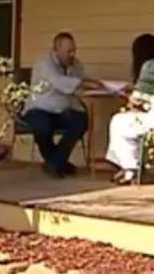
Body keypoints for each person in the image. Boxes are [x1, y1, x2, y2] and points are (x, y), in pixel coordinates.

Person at [106, 33, 154, 184]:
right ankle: (129, 166)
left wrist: (123, 95)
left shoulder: (151, 65)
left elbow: (136, 100)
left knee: (119, 121)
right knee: (124, 122)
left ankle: (130, 168)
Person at [21, 32, 101, 178]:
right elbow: (59, 81)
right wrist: (83, 83)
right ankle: (58, 162)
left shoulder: (75, 64)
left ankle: (55, 162)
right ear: (56, 49)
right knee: (42, 126)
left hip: (62, 110)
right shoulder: (44, 63)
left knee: (81, 120)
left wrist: (97, 85)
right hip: (39, 109)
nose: (72, 55)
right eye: (68, 51)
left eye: (74, 51)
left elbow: (80, 81)